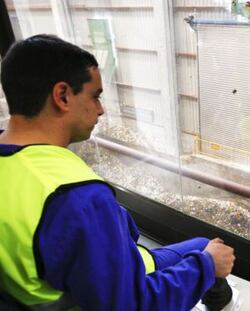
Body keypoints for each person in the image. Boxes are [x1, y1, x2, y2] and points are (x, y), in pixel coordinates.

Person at [0, 34, 235, 311]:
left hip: (43, 291)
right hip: (97, 297)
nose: (101, 110)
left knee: (201, 245)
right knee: (211, 253)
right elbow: (130, 305)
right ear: (62, 96)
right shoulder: (78, 199)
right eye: (95, 96)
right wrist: (206, 266)